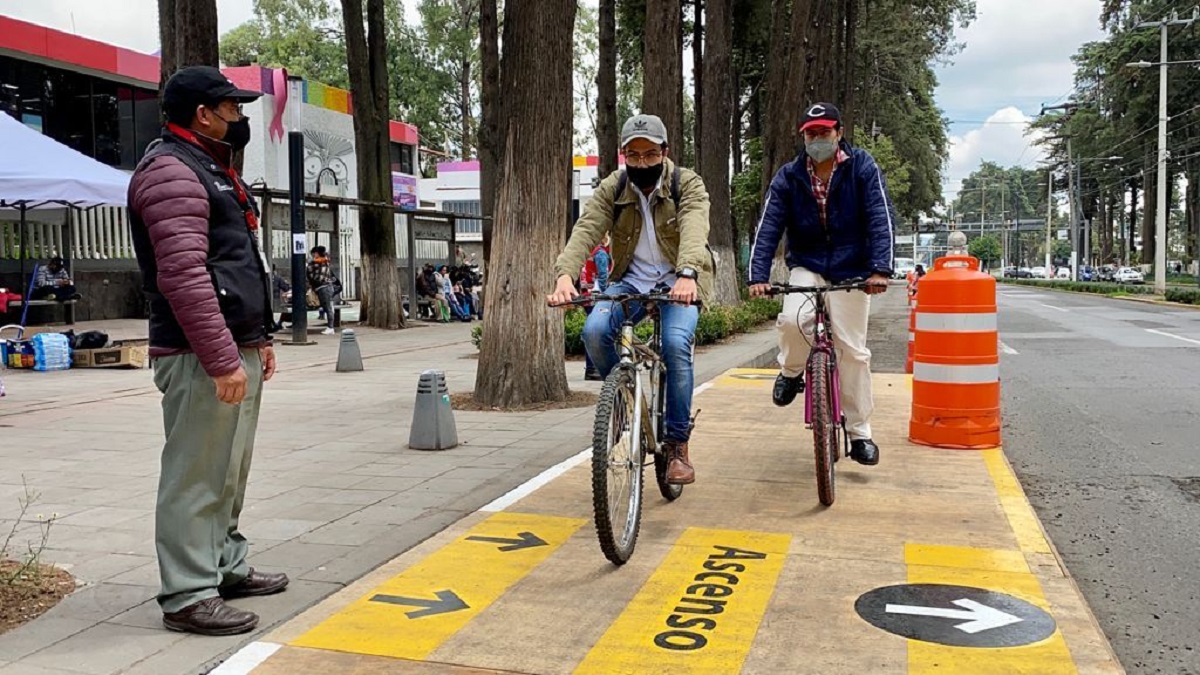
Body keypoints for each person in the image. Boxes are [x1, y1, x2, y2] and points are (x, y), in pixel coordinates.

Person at [127, 65, 287, 636]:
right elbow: (184, 275)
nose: (240, 119)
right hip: (197, 353)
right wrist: (221, 357)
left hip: (230, 343)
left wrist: (256, 338)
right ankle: (188, 593)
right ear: (204, 113)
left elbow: (236, 263)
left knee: (228, 470)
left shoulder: (209, 168)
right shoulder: (171, 172)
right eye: (233, 110)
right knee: (196, 473)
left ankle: (225, 564)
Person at [548, 113, 713, 485]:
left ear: (664, 152)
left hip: (679, 282)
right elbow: (588, 227)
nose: (641, 163)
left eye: (649, 154)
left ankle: (676, 445)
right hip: (630, 282)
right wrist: (564, 275)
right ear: (624, 155)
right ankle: (621, 402)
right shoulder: (614, 186)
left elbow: (694, 226)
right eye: (633, 156)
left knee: (674, 343)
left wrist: (687, 273)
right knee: (593, 331)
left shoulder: (687, 183)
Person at [747, 102, 896, 467]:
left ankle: (860, 433)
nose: (817, 140)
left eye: (824, 132)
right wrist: (758, 276)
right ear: (803, 137)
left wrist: (880, 270)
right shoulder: (789, 175)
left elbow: (880, 215)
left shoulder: (862, 166)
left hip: (853, 269)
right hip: (809, 263)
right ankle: (791, 372)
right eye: (810, 134)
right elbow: (769, 226)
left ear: (839, 133)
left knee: (853, 351)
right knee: (793, 319)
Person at [579, 234, 612, 380]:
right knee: (600, 331)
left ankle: (591, 368)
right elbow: (603, 275)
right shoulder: (600, 253)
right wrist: (607, 294)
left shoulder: (587, 252)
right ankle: (595, 368)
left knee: (591, 330)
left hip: (587, 295)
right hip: (597, 296)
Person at [306, 246, 338, 335]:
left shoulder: (316, 263)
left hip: (323, 288)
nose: (313, 256)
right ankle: (330, 326)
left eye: (313, 254)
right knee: (327, 307)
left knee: (327, 307)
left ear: (316, 253)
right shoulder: (326, 261)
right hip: (327, 287)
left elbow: (310, 274)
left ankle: (330, 327)